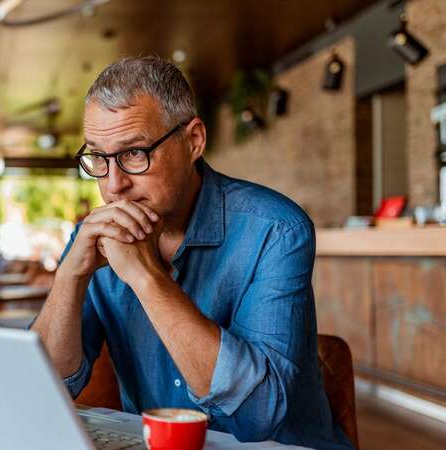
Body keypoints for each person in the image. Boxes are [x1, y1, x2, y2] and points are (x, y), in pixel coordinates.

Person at [30, 56, 354, 450]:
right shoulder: (95, 237)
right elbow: (44, 387)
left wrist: (146, 277)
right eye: (98, 157)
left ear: (193, 141)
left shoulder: (276, 229)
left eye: (134, 153)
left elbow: (258, 416)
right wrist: (69, 277)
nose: (114, 185)